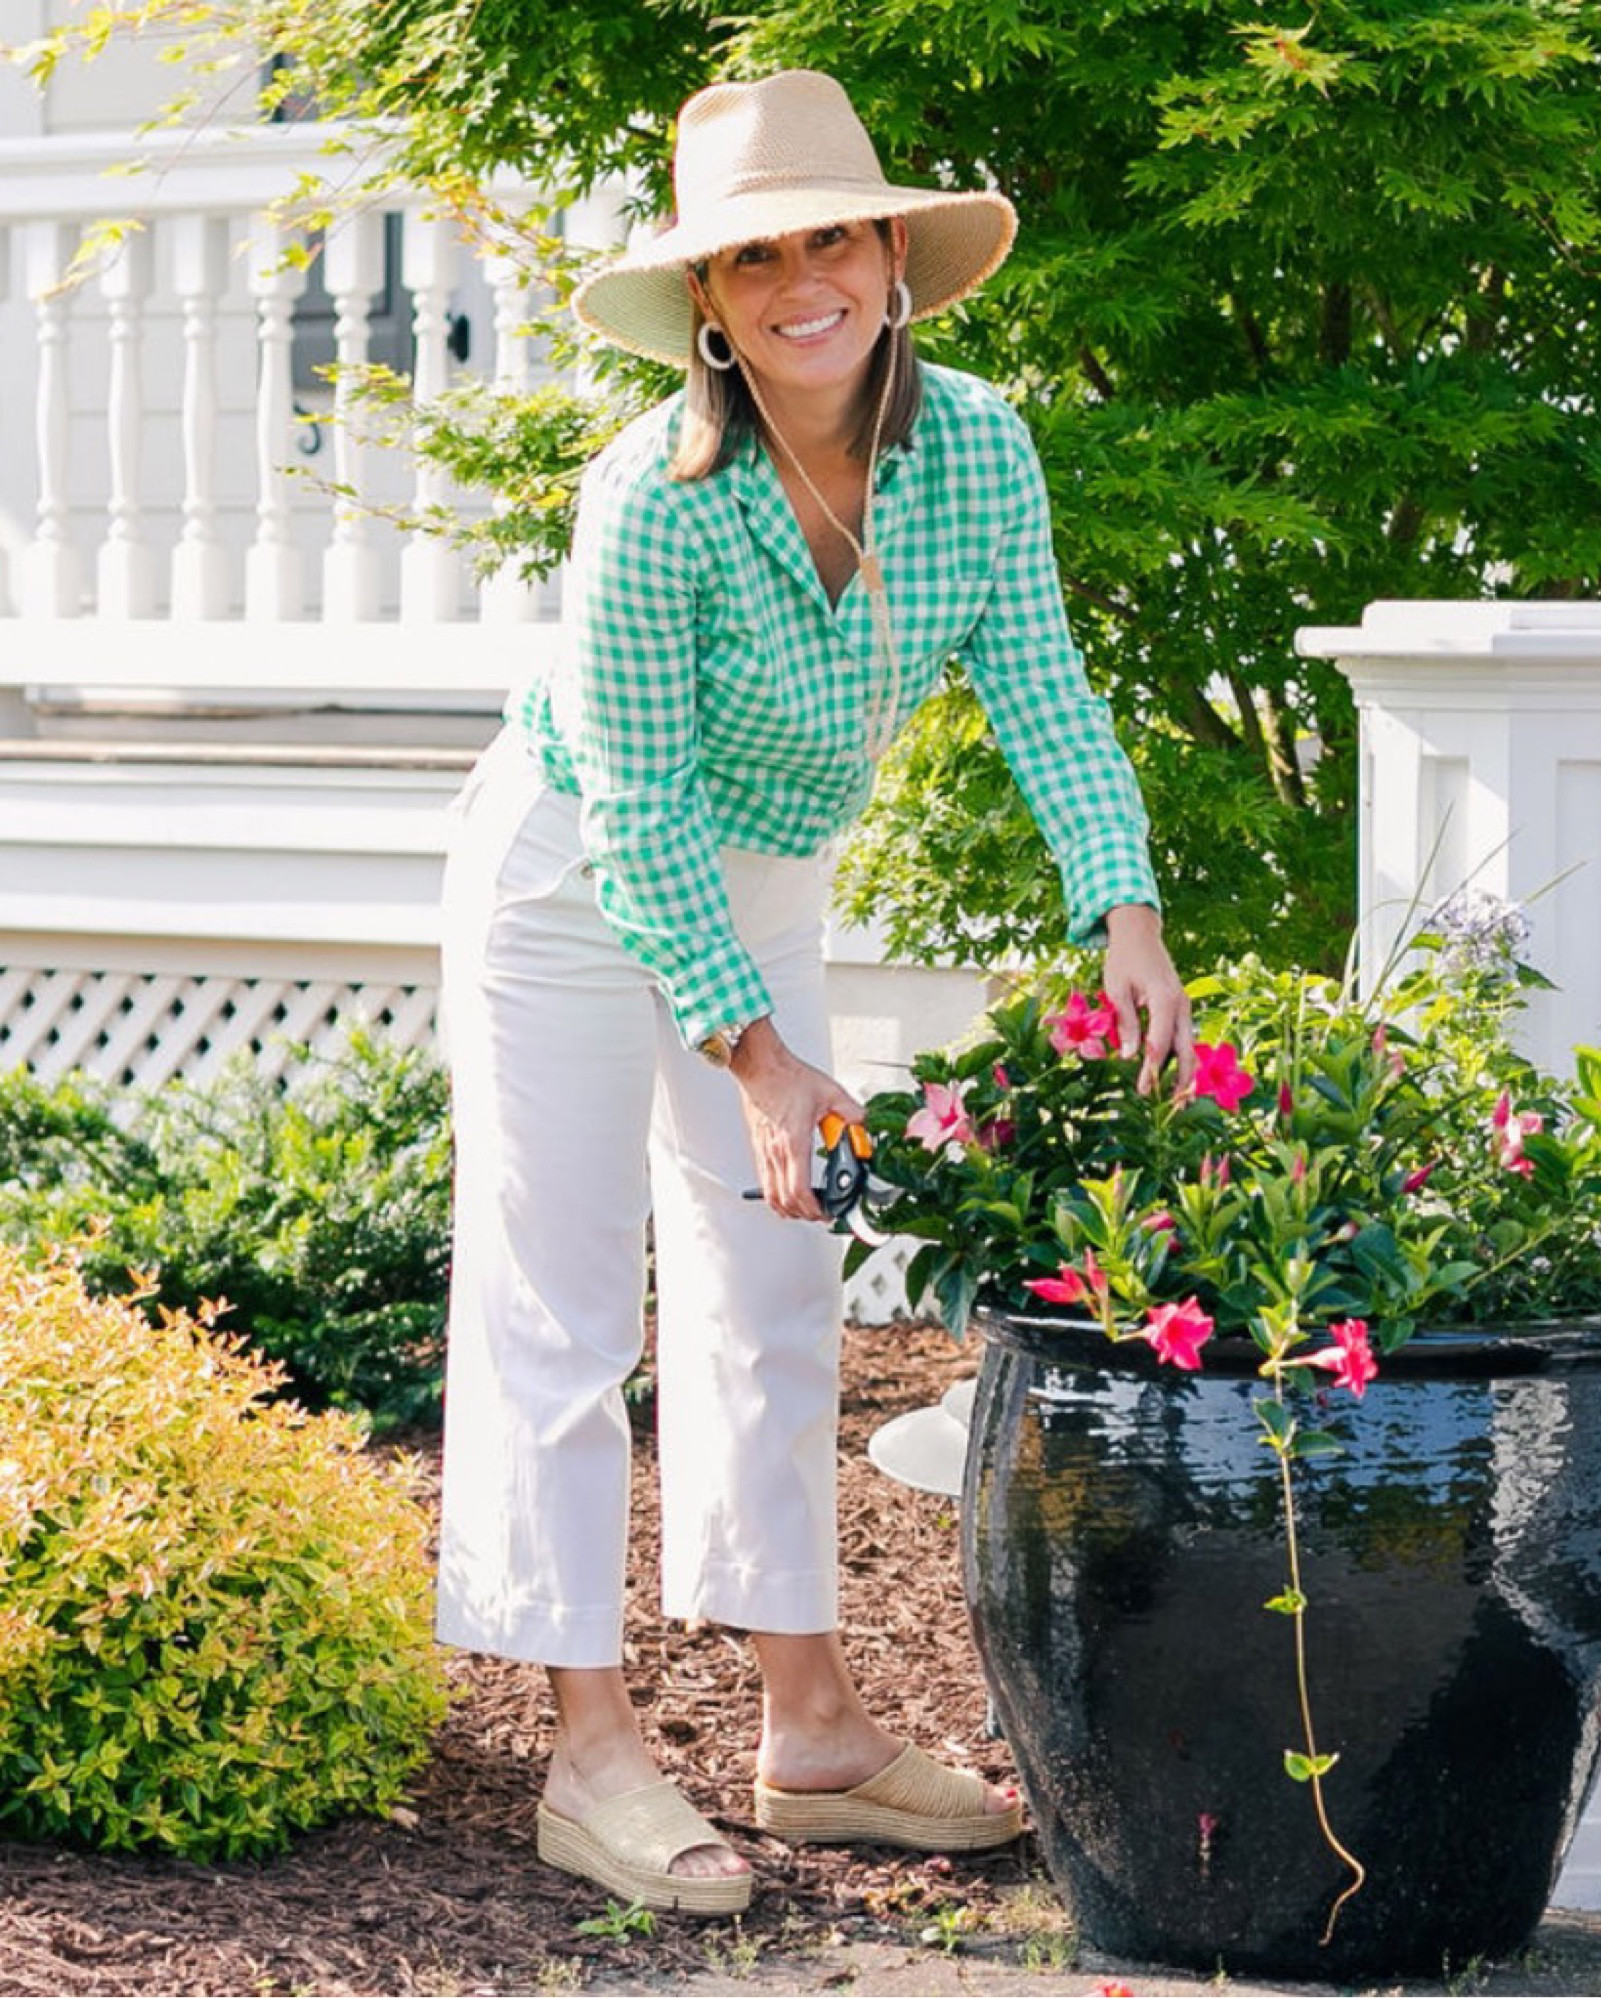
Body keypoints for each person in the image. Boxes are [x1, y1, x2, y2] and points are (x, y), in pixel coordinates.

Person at [434, 68, 1192, 1916]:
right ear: (708, 300)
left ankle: (813, 1729)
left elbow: (1045, 689)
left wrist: (1129, 910)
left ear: (892, 259)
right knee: (565, 1295)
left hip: (765, 876)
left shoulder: (982, 450)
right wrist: (760, 1055)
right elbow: (637, 802)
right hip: (572, 869)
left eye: (830, 236)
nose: (800, 280)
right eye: (753, 254)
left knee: (775, 1274)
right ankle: (593, 1750)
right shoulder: (650, 500)